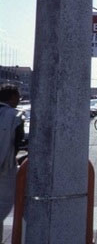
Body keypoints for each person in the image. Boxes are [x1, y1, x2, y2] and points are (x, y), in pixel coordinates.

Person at [0, 84, 25, 231]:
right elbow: (17, 143)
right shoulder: (15, 116)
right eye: (18, 98)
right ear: (13, 98)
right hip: (5, 167)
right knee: (3, 204)